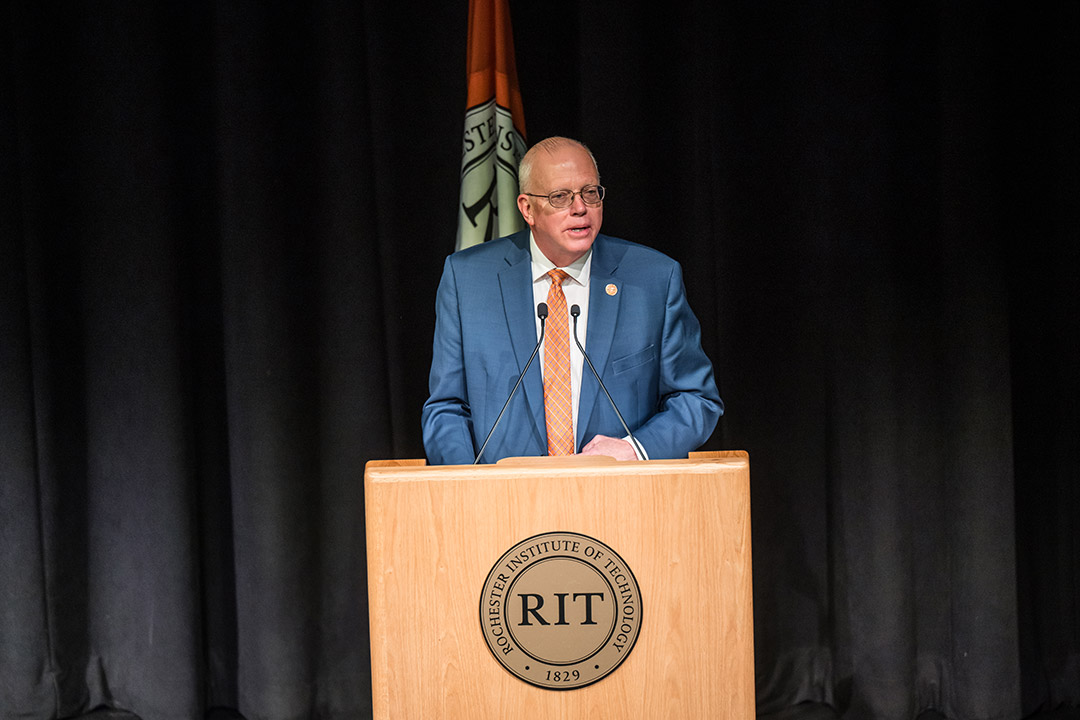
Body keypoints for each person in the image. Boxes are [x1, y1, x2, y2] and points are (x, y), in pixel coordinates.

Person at [422, 136, 722, 465]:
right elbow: (446, 408)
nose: (580, 208)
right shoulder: (468, 280)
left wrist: (635, 450)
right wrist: (469, 488)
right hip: (502, 506)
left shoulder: (653, 279)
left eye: (590, 193)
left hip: (621, 502)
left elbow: (696, 399)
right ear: (527, 208)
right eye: (560, 197)